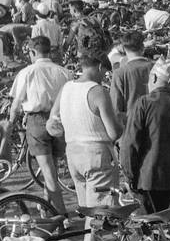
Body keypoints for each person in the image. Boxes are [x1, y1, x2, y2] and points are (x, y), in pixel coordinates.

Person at [120, 61, 170, 221]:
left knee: (150, 234)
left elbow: (129, 145)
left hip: (147, 180)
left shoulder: (143, 103)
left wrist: (129, 177)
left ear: (155, 77)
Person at [6, 37, 72, 212]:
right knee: (52, 168)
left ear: (33, 52)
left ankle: (61, 215)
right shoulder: (64, 72)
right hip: (60, 121)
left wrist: (10, 124)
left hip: (37, 121)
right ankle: (46, 206)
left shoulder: (28, 72)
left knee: (49, 173)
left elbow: (16, 104)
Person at [49, 55, 121, 208]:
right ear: (100, 67)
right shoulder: (97, 91)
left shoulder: (66, 88)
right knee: (100, 211)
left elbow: (52, 121)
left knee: (87, 208)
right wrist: (121, 121)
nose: (104, 77)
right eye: (105, 73)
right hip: (96, 154)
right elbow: (114, 133)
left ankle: (88, 232)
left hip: (73, 153)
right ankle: (91, 233)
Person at [110, 31, 154, 123]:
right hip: (153, 124)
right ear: (142, 48)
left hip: (130, 126)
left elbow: (115, 109)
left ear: (124, 49)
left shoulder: (119, 73)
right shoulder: (156, 68)